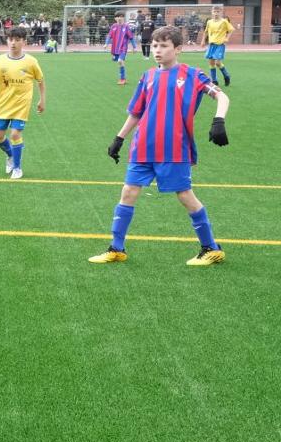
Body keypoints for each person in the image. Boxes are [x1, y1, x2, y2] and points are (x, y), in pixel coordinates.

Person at [92, 26, 230, 266]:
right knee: (128, 192)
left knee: (185, 196)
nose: (157, 50)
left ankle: (211, 248)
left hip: (174, 148)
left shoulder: (193, 74)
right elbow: (136, 112)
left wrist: (218, 121)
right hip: (143, 146)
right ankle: (116, 248)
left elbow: (222, 96)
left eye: (164, 46)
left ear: (177, 49)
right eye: (155, 45)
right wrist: (119, 138)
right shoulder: (148, 76)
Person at [0, 26, 47, 180]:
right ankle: (10, 155)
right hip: (3, 103)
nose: (13, 43)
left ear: (24, 42)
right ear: (6, 40)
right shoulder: (0, 61)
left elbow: (40, 81)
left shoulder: (31, 61)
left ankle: (17, 168)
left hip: (21, 104)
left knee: (14, 134)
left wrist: (42, 99)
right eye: (10, 39)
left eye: (17, 40)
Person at [200, 4, 234, 87]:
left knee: (218, 63)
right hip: (211, 44)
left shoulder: (224, 21)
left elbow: (231, 30)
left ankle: (226, 75)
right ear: (212, 12)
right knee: (211, 63)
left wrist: (227, 38)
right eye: (214, 11)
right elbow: (206, 32)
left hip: (220, 44)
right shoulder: (209, 22)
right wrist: (203, 40)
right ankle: (214, 81)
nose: (216, 13)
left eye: (218, 12)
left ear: (221, 12)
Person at [105, 12, 134, 86]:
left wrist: (134, 47)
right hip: (115, 48)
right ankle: (115, 58)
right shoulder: (113, 26)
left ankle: (122, 79)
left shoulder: (126, 26)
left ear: (123, 18)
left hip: (123, 48)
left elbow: (131, 37)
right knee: (118, 61)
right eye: (118, 17)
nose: (120, 18)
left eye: (121, 16)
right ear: (115, 18)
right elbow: (109, 36)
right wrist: (106, 44)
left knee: (120, 61)